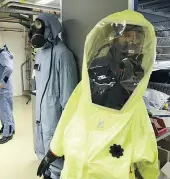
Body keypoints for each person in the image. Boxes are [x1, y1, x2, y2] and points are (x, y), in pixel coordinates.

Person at [37, 10, 160, 179]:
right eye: (127, 36)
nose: (132, 43)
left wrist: (149, 173)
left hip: (110, 169)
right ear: (114, 38)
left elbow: (144, 135)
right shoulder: (93, 74)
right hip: (78, 164)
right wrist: (53, 152)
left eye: (136, 38)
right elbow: (70, 114)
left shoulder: (133, 89)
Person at [29, 13, 78, 179]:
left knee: (57, 166)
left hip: (55, 121)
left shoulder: (63, 55)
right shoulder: (41, 53)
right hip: (41, 118)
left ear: (50, 29)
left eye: (39, 28)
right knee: (43, 157)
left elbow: (69, 102)